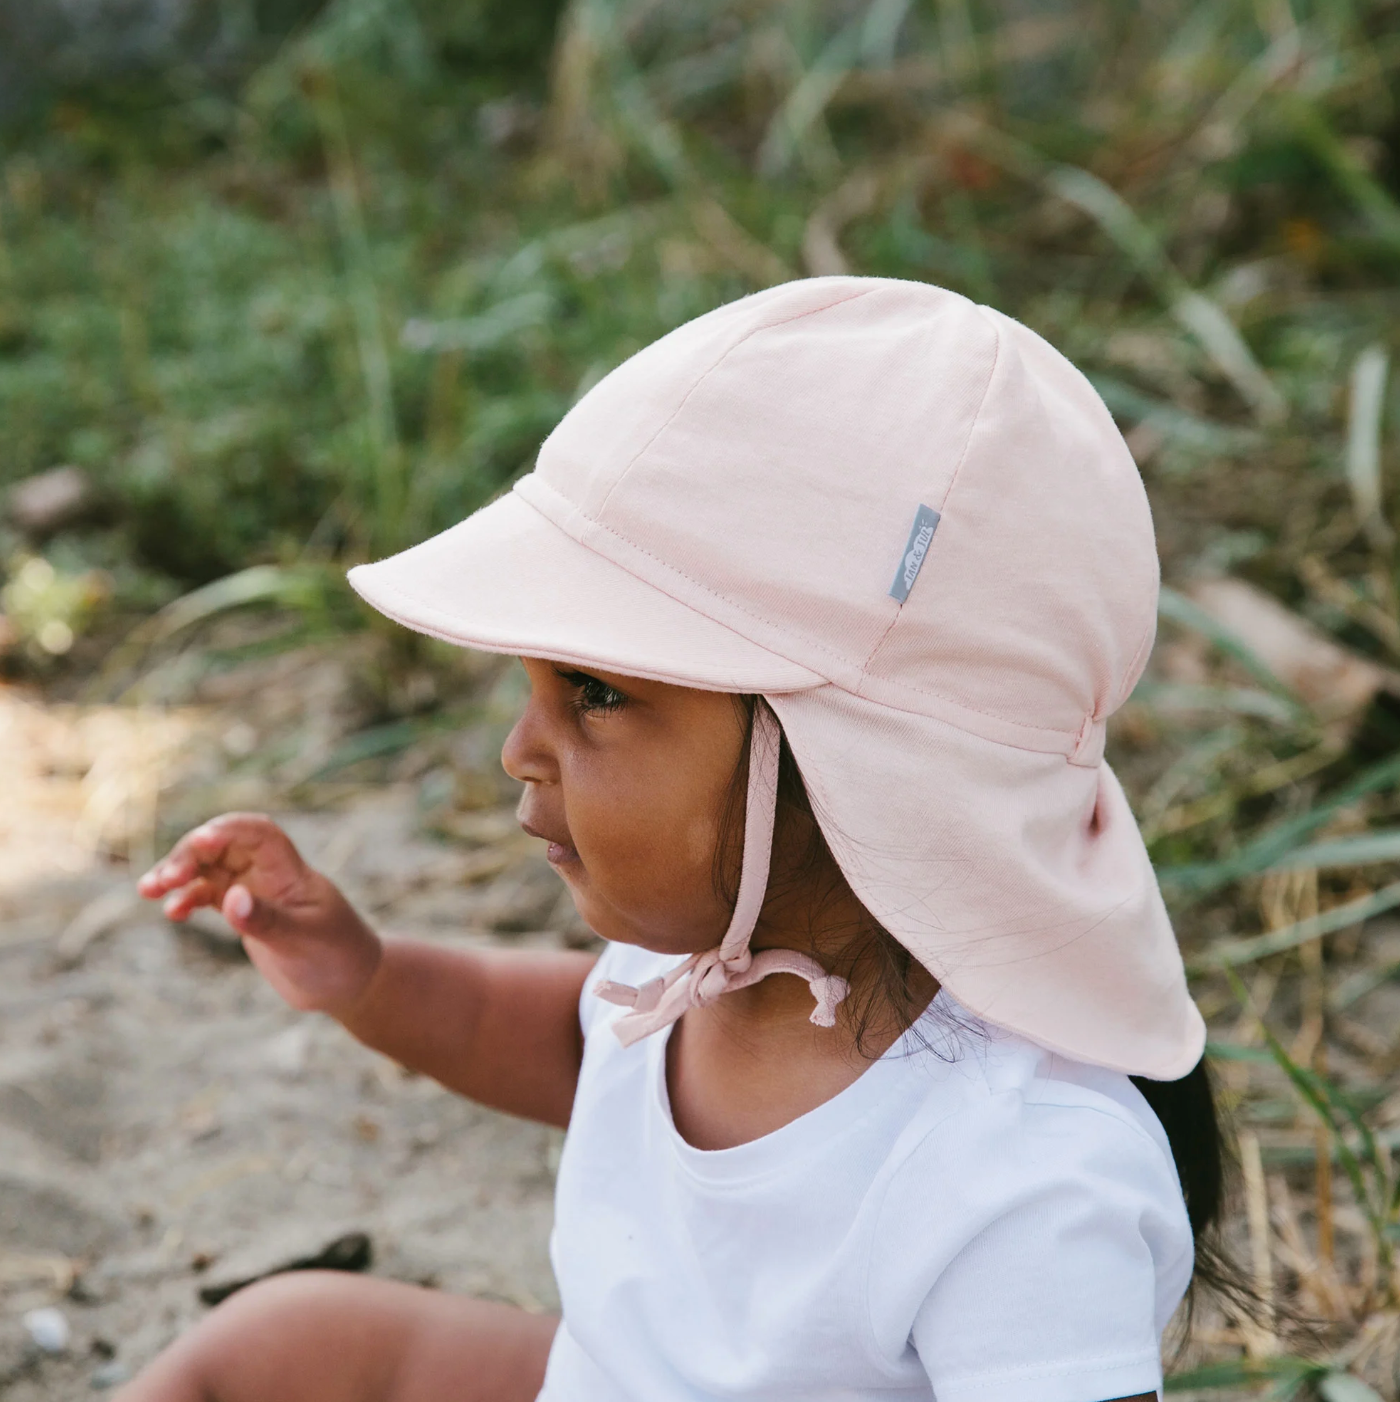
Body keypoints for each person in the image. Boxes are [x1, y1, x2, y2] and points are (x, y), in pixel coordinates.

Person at [121, 276, 1218, 1402]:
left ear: (836, 762)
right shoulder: (702, 957)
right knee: (285, 1341)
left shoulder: (1017, 1175)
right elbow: (565, 1037)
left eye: (591, 692)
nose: (519, 748)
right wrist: (368, 975)